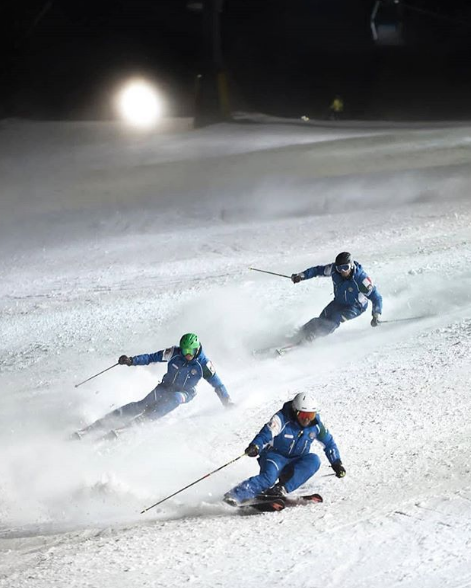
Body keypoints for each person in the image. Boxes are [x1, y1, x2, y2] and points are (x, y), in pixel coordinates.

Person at [76, 333, 232, 438]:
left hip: (186, 392)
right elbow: (152, 357)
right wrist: (131, 361)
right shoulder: (174, 353)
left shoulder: (203, 364)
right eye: (184, 350)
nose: (187, 354)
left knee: (176, 398)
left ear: (197, 348)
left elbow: (217, 385)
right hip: (165, 386)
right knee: (142, 404)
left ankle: (137, 424)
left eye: (190, 350)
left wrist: (227, 402)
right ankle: (103, 422)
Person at [224, 392, 345, 506]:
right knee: (268, 479)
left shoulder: (317, 425)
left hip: (296, 460)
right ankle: (235, 495)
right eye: (303, 415)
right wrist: (255, 445)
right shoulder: (281, 419)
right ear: (295, 411)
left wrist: (336, 463)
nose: (307, 419)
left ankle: (280, 489)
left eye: (310, 415)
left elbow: (329, 443)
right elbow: (266, 434)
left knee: (314, 460)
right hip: (274, 456)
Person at [291, 251, 383, 342]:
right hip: (339, 302)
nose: (343, 271)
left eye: (345, 267)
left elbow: (376, 297)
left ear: (351, 265)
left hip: (355, 306)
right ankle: (300, 334)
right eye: (340, 268)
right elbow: (317, 270)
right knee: (322, 318)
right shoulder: (333, 269)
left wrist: (376, 315)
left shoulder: (361, 279)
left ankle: (312, 337)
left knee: (335, 319)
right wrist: (301, 276)